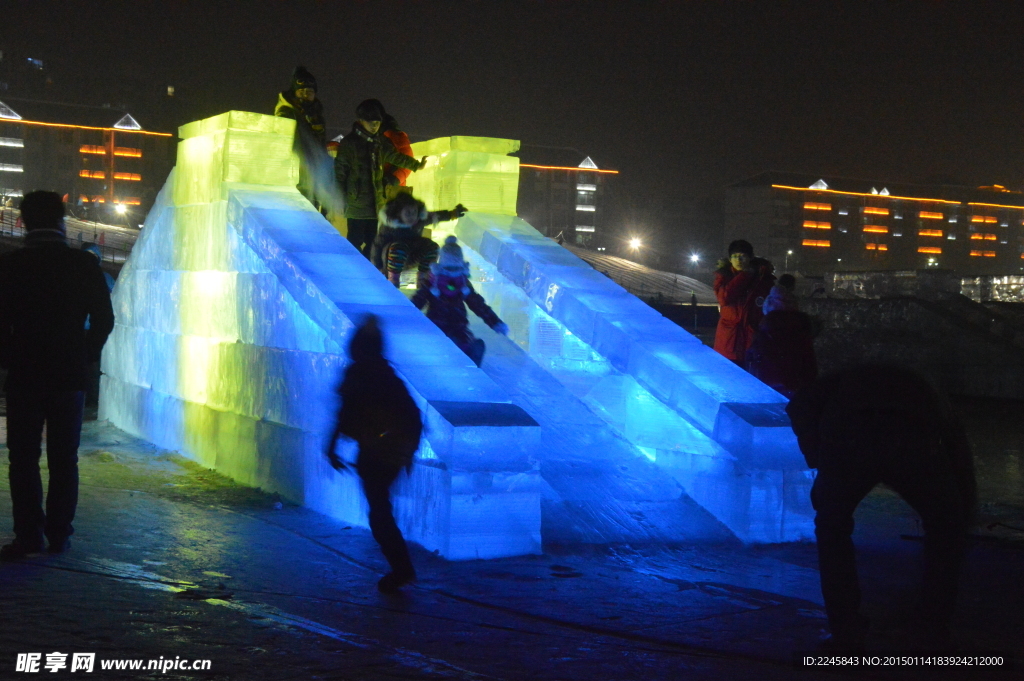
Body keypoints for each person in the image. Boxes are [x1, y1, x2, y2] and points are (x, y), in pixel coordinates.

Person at [786, 365, 976, 650]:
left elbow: (798, 407)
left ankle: (846, 628)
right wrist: (962, 514)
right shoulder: (929, 393)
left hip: (851, 436)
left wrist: (818, 459)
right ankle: (931, 626)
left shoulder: (841, 381)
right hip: (911, 437)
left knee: (832, 528)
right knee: (945, 529)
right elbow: (959, 456)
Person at [0, 191, 114, 560]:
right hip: (68, 374)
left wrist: (8, 358)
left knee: (23, 457)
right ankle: (59, 535)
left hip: (25, 374)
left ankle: (28, 536)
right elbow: (104, 319)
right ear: (63, 221)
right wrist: (85, 354)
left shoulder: (11, 265)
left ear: (23, 222)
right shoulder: (83, 265)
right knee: (65, 458)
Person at [325, 316, 422, 593]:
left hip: (376, 451)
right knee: (380, 510)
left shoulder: (360, 374)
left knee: (379, 513)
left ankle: (402, 569)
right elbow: (412, 415)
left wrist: (332, 447)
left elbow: (344, 413)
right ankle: (401, 568)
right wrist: (407, 451)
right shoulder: (386, 375)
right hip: (386, 451)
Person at [334, 100, 426, 258]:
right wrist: (340, 198)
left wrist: (416, 165)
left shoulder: (380, 142)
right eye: (370, 122)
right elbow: (340, 171)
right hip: (356, 202)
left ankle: (368, 270)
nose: (374, 126)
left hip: (376, 201)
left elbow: (395, 156)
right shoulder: (349, 143)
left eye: (377, 123)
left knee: (372, 240)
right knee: (354, 240)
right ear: (361, 121)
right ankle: (353, 269)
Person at [412, 236, 509, 366]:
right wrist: (406, 313)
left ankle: (469, 353)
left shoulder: (462, 284)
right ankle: (455, 351)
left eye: (455, 269)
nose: (452, 274)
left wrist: (495, 322)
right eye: (450, 269)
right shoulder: (433, 283)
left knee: (463, 339)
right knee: (443, 339)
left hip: (458, 325)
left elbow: (478, 304)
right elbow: (419, 299)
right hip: (436, 325)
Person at [371, 192, 466, 286]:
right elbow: (377, 246)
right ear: (398, 213)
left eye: (414, 212)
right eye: (407, 213)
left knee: (432, 246)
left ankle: (423, 278)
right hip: (392, 260)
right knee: (399, 246)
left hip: (411, 256)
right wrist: (377, 267)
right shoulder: (389, 227)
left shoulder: (418, 222)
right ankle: (393, 279)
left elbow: (436, 216)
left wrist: (453, 213)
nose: (412, 216)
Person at [746, 273, 817, 397]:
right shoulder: (800, 329)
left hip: (768, 385)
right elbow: (809, 363)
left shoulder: (765, 329)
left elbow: (755, 358)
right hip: (797, 386)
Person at [274, 67, 332, 208]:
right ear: (294, 92)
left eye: (310, 91)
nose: (306, 95)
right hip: (296, 174)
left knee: (314, 212)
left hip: (315, 174)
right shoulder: (286, 112)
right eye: (302, 91)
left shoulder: (316, 114)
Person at [713, 239, 775, 368]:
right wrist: (745, 275)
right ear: (730, 259)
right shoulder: (723, 277)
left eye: (742, 256)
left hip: (752, 340)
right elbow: (725, 298)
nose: (739, 260)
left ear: (750, 258)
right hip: (729, 342)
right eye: (735, 256)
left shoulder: (763, 278)